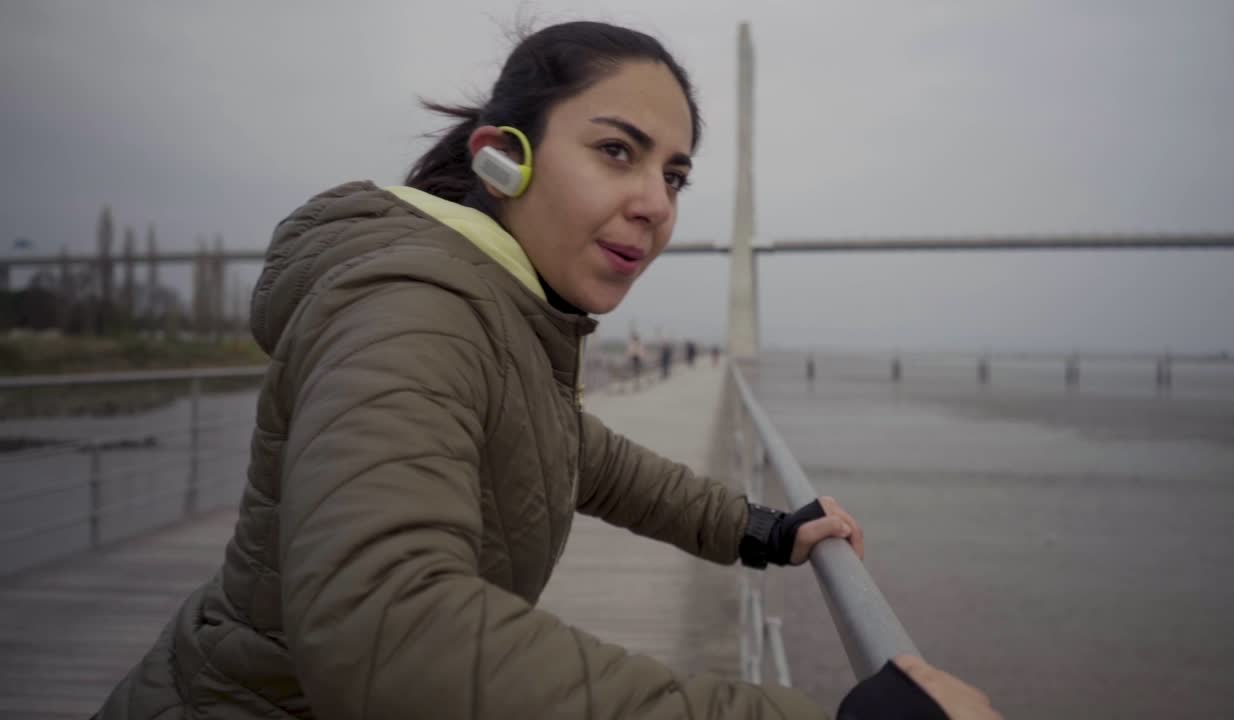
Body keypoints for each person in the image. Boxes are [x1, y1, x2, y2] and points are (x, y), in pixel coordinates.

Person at [96, 21, 998, 720]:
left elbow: (574, 450)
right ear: (501, 156)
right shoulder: (413, 302)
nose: (655, 203)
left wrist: (760, 529)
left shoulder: (497, 309)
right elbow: (386, 623)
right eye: (617, 151)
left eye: (675, 175)